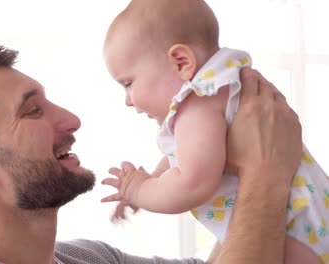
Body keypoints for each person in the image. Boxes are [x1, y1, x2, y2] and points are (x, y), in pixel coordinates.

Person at [0, 45, 302, 264]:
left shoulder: (89, 258)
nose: (71, 119)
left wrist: (225, 147)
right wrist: (266, 174)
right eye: (32, 110)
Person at [100, 0, 328, 263]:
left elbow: (193, 184)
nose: (128, 100)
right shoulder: (218, 89)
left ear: (181, 61)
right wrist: (153, 178)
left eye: (128, 83)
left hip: (292, 232)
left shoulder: (197, 104)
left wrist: (140, 190)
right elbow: (185, 156)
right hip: (304, 222)